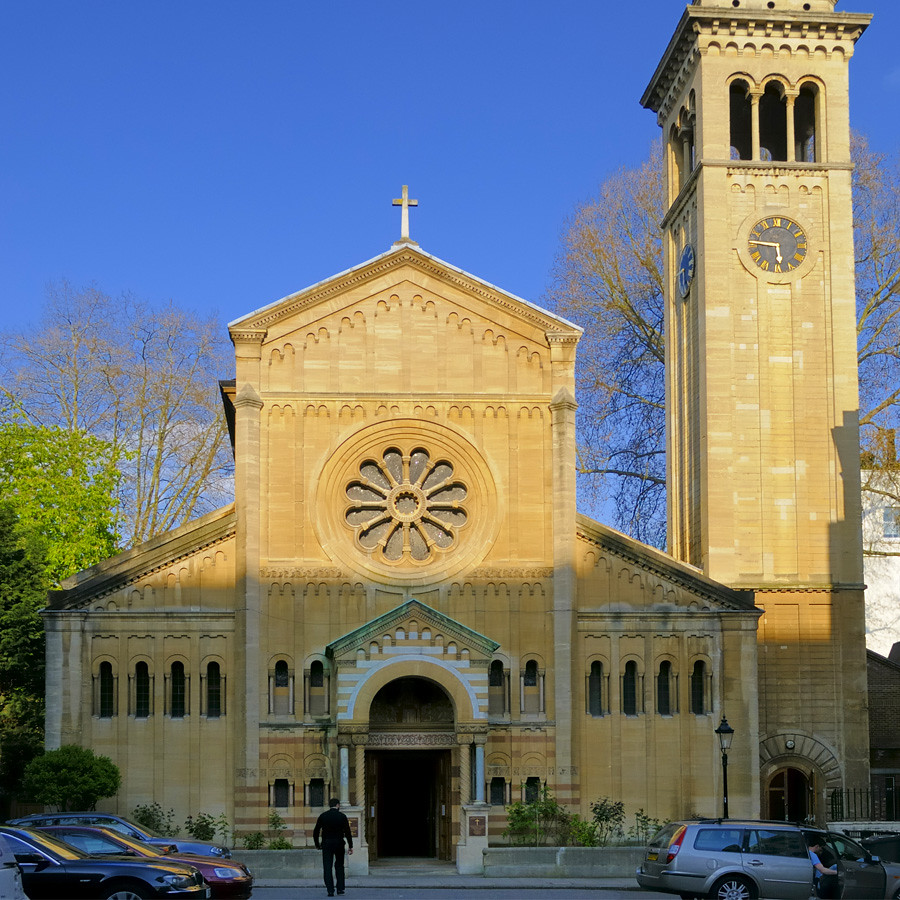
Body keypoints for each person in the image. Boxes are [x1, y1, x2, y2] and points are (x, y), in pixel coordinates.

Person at [313, 798, 353, 897]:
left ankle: (330, 890)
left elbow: (316, 832)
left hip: (326, 844)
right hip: (339, 843)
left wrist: (317, 844)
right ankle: (340, 888)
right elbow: (348, 832)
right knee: (339, 866)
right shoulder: (342, 816)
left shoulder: (323, 816)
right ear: (338, 805)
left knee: (327, 867)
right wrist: (350, 846)